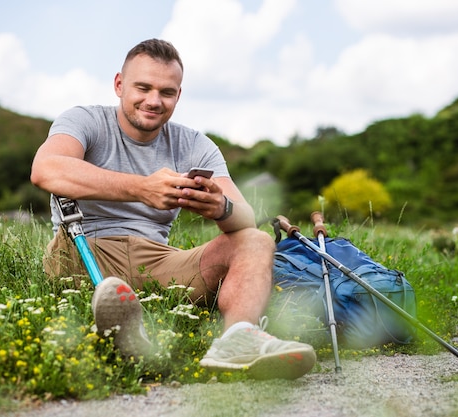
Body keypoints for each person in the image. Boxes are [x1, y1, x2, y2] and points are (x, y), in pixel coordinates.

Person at [30, 38, 316, 380]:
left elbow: (246, 217)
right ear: (119, 84)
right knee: (103, 283)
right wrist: (142, 188)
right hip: (82, 246)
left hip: (157, 259)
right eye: (143, 87)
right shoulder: (84, 120)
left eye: (166, 92)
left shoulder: (195, 143)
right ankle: (122, 322)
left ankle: (237, 339)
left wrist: (220, 207)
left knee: (255, 239)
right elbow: (45, 169)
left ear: (178, 96)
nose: (153, 101)